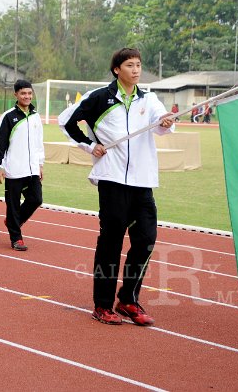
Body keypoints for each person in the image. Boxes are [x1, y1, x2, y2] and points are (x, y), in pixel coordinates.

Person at [58, 47, 174, 327]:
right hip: (111, 180)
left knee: (145, 240)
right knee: (110, 243)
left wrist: (166, 121)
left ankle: (128, 299)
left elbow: (161, 124)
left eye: (139, 65)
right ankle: (102, 305)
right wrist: (89, 145)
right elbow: (67, 121)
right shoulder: (99, 97)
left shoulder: (149, 99)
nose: (136, 70)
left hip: (143, 182)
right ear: (116, 69)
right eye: (130, 65)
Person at [0, 79, 44, 251]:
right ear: (16, 94)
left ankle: (12, 222)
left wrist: (40, 164)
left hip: (32, 168)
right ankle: (16, 238)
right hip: (13, 168)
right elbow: (0, 143)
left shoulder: (36, 115)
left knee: (36, 199)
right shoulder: (8, 117)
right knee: (13, 204)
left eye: (29, 93)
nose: (27, 96)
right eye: (23, 93)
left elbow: (39, 143)